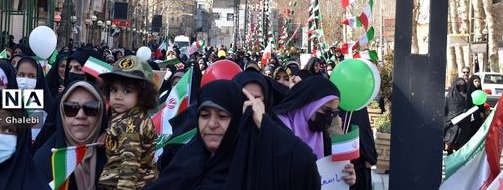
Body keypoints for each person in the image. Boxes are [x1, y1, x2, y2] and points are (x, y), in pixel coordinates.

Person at [147, 79, 322, 190]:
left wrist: (264, 122)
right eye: (205, 115)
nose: (212, 124)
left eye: (223, 116)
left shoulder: (255, 167)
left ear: (238, 120)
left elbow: (304, 162)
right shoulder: (184, 160)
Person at [274, 76, 356, 185]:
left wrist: (346, 177)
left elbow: (333, 176)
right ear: (309, 102)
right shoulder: (278, 127)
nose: (329, 116)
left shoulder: (322, 134)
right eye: (326, 110)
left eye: (334, 113)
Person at [99, 56, 158, 189]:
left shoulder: (132, 125)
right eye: (114, 90)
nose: (118, 96)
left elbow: (129, 165)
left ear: (142, 94)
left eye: (127, 91)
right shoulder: (126, 116)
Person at [34, 81, 106, 190]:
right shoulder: (45, 160)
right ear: (62, 113)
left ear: (100, 113)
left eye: (91, 108)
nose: (80, 115)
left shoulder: (114, 153)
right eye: (71, 108)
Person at [444, 77, 471, 153]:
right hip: (452, 122)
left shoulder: (467, 95)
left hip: (464, 122)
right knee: (451, 140)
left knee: (461, 140)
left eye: (463, 86)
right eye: (459, 86)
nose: (461, 88)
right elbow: (447, 108)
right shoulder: (450, 96)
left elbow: (470, 106)